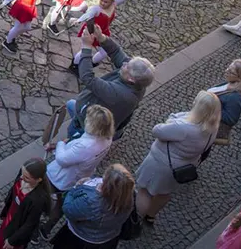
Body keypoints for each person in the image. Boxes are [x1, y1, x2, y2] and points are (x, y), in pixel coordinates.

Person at [135, 90, 220, 222]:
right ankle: (150, 215)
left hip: (161, 164)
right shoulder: (212, 127)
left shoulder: (184, 127)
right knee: (164, 193)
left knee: (145, 191)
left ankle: (136, 217)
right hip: (182, 166)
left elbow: (157, 130)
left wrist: (172, 118)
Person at [40, 105, 115, 239]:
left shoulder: (86, 145)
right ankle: (46, 229)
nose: (85, 120)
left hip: (60, 178)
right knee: (60, 205)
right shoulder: (107, 138)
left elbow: (62, 159)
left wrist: (60, 144)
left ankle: (35, 222)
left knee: (41, 195)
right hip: (79, 176)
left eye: (88, 119)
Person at [51, 164, 136, 249]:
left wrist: (74, 189)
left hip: (81, 239)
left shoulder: (91, 202)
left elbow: (68, 210)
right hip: (108, 239)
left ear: (107, 186)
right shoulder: (128, 197)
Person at [0, 158, 52, 249]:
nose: (21, 177)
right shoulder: (23, 175)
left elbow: (29, 224)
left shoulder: (38, 200)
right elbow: (13, 190)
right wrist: (6, 202)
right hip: (9, 220)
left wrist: (12, 241)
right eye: (22, 173)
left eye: (27, 178)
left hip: (17, 230)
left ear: (38, 180)